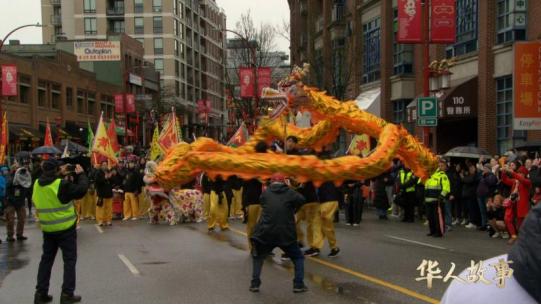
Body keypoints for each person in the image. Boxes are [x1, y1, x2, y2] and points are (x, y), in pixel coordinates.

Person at [441, 204, 541, 304]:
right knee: (495, 220)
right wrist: (490, 209)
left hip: (510, 219)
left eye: (497, 200)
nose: (495, 202)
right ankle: (505, 233)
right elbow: (491, 215)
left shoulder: (466, 285)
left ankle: (511, 234)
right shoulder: (466, 286)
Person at [33, 159, 88, 304]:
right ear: (58, 169)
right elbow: (81, 191)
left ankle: (40, 293)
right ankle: (67, 294)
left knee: (46, 260)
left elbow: (47, 183)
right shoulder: (61, 184)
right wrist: (81, 175)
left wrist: (58, 174)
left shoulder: (37, 183)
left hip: (47, 229)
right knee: (69, 261)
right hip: (65, 228)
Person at [249, 173, 307, 294]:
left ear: (271, 182)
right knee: (298, 257)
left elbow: (263, 203)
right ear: (284, 182)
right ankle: (298, 284)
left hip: (266, 232)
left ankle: (255, 283)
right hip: (285, 233)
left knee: (259, 257)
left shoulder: (265, 193)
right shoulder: (289, 192)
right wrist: (290, 188)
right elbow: (301, 200)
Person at [243, 142, 268, 249]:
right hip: (254, 199)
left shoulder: (266, 163)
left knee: (259, 225)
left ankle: (258, 246)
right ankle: (254, 247)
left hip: (261, 199)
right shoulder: (250, 164)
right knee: (254, 225)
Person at [501, 166, 531, 245]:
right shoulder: (515, 181)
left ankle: (522, 240)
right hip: (513, 205)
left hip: (521, 206)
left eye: (521, 173)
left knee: (521, 224)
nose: (519, 174)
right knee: (507, 219)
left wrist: (512, 172)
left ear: (525, 174)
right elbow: (504, 180)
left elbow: (522, 180)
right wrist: (504, 172)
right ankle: (513, 236)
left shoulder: (527, 181)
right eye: (518, 172)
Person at [310, 181, 341, 258]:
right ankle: (316, 247)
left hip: (329, 200)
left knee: (326, 226)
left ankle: (334, 247)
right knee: (316, 224)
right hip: (323, 201)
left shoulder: (327, 171)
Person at [424, 161, 451, 238]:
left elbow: (446, 188)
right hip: (429, 200)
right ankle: (432, 231)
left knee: (437, 217)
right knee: (430, 217)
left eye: (442, 166)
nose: (440, 167)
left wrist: (441, 196)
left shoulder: (443, 176)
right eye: (439, 165)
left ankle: (439, 232)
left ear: (445, 167)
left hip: (437, 201)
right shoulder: (432, 175)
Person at [5, 166, 32, 242]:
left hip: (21, 201)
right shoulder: (9, 176)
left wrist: (24, 174)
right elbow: (7, 184)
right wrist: (14, 175)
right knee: (10, 220)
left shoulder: (22, 175)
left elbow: (28, 183)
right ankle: (10, 235)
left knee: (22, 219)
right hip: (11, 201)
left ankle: (20, 234)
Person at [477, 164, 498, 231]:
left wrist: (485, 177)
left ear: (489, 169)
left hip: (488, 195)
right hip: (480, 195)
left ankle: (490, 225)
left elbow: (491, 183)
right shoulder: (483, 176)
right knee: (482, 211)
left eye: (486, 168)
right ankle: (484, 224)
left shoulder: (491, 176)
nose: (485, 169)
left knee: (489, 210)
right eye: (484, 168)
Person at [95, 162, 114, 227]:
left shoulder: (109, 172)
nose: (105, 166)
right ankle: (100, 221)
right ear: (101, 166)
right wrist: (105, 178)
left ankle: (108, 220)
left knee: (109, 208)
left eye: (106, 165)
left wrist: (110, 177)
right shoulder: (98, 173)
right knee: (101, 208)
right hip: (101, 194)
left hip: (109, 193)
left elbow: (113, 182)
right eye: (104, 165)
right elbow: (97, 182)